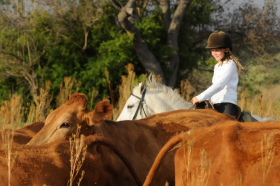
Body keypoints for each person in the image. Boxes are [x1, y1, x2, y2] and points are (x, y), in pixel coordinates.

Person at [191, 30, 244, 117]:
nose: (214, 53)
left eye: (217, 50)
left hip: (227, 105)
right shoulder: (217, 66)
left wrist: (199, 97)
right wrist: (205, 100)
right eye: (212, 50)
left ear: (226, 50)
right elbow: (215, 87)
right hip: (215, 105)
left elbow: (219, 85)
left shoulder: (230, 64)